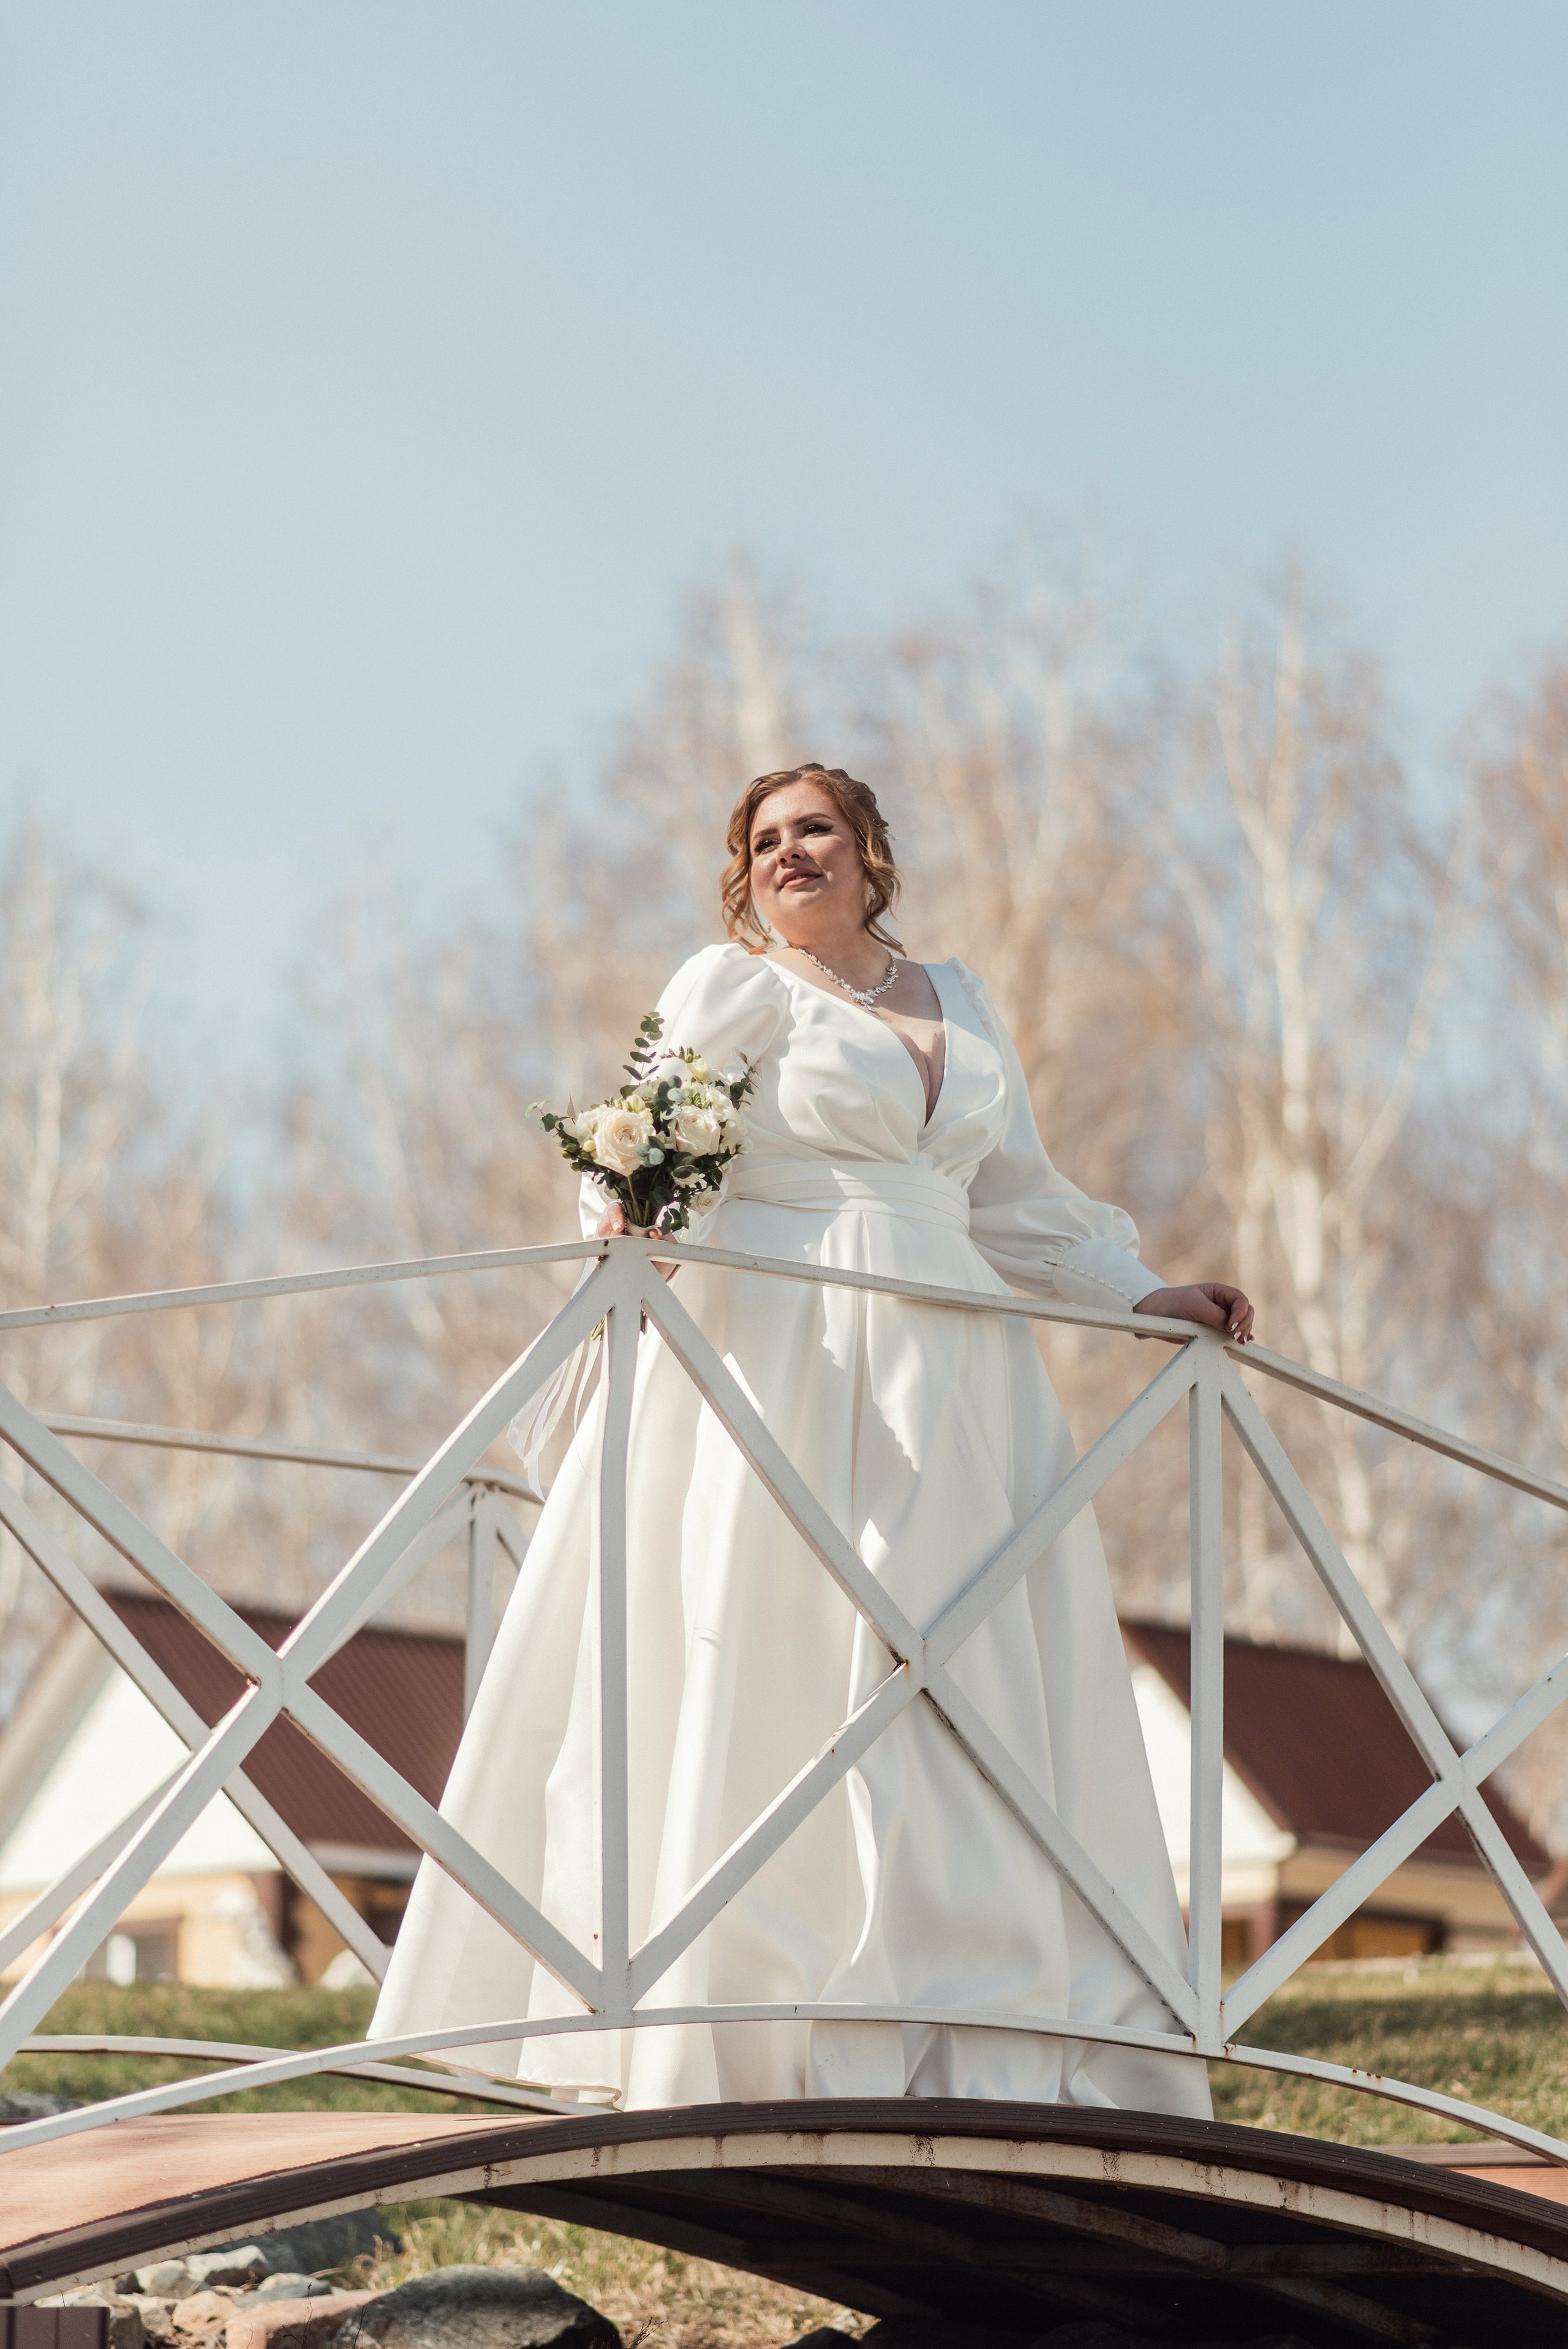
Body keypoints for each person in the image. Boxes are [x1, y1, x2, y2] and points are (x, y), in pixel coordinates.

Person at [372, 762, 1253, 2116]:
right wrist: (630, 1228)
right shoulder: (733, 987)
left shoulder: (958, 1000)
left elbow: (1015, 1200)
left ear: (868, 853)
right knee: (781, 1659)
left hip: (959, 1366)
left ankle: (980, 2019)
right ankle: (739, 2024)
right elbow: (635, 1165)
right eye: (763, 840)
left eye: (814, 830)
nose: (789, 854)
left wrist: (1142, 1297)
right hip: (786, 1355)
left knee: (965, 1663)